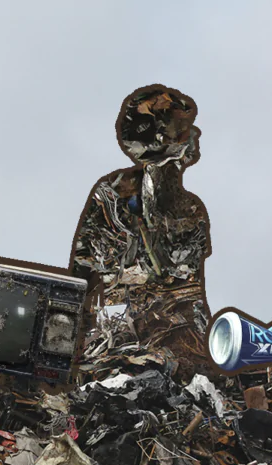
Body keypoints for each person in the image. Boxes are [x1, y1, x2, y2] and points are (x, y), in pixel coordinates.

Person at [69, 85, 212, 379]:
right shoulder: (112, 193)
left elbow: (192, 293)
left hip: (176, 342)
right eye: (180, 132)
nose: (191, 142)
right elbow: (82, 272)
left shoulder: (192, 211)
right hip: (119, 338)